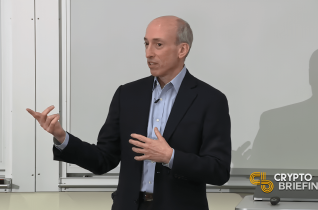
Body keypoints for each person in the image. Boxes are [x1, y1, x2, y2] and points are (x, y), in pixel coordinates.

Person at [27, 15, 231, 210]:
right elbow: (103, 159)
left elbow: (219, 170)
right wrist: (62, 137)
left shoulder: (211, 100)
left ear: (182, 50)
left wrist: (170, 157)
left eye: (158, 45)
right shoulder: (128, 94)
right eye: (146, 43)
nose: (148, 53)